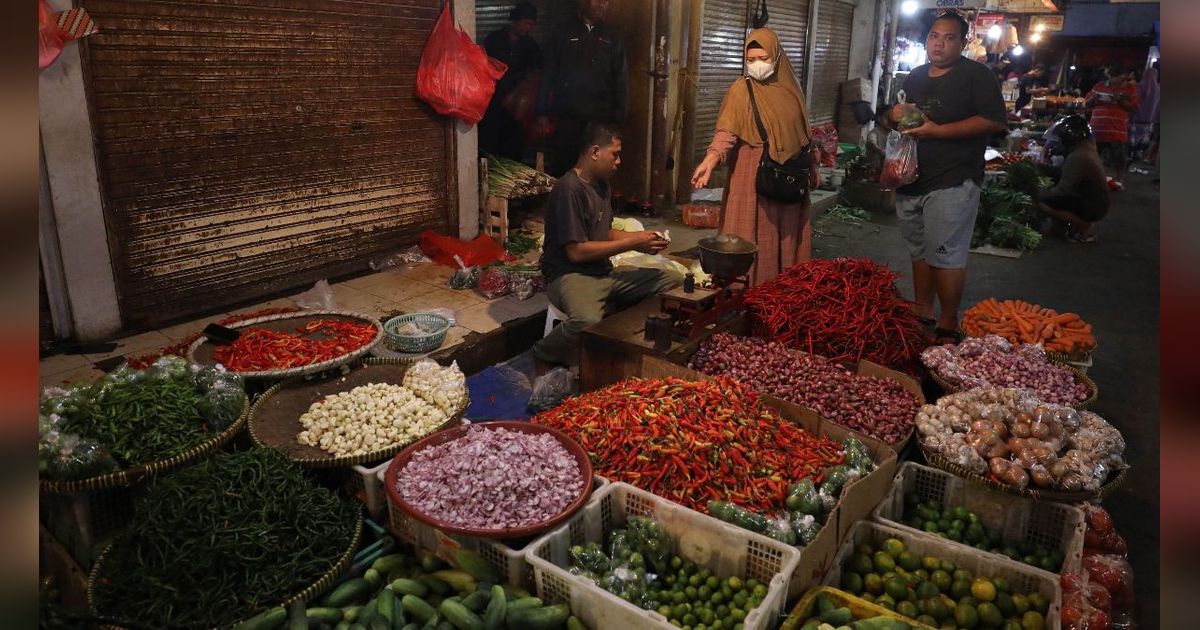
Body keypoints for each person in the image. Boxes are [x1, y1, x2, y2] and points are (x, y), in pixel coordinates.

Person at [886, 12, 1007, 344]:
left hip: (954, 178)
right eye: (934, 36)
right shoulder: (915, 77)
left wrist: (939, 132)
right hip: (912, 179)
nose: (939, 43)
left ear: (964, 42)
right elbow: (901, 119)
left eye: (949, 37)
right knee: (920, 251)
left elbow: (994, 121)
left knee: (945, 253)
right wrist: (893, 114)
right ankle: (923, 310)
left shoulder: (977, 76)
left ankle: (948, 321)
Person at [533, 121, 683, 369]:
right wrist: (634, 242)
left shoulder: (602, 185)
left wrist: (645, 241)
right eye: (615, 154)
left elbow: (606, 233)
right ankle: (543, 351)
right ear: (594, 152)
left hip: (602, 272)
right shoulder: (568, 189)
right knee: (586, 320)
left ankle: (621, 342)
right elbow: (577, 252)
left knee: (672, 282)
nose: (618, 161)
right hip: (570, 275)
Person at [690, 28, 819, 287]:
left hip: (790, 176)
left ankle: (781, 294)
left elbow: (804, 134)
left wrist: (813, 166)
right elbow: (726, 132)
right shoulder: (740, 90)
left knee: (784, 237)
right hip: (752, 175)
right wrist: (710, 160)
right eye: (751, 60)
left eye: (763, 58)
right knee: (748, 235)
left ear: (777, 57)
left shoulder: (792, 91)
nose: (757, 65)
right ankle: (749, 294)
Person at [537, 0, 628, 176]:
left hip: (599, 117)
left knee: (597, 167)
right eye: (598, 0)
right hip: (568, 115)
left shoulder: (612, 36)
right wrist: (541, 111)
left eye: (606, 1)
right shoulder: (563, 31)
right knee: (565, 163)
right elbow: (548, 73)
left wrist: (619, 119)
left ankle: (594, 203)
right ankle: (566, 201)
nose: (602, 4)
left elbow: (621, 79)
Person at [479, 3, 543, 160]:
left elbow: (537, 73)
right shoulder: (494, 39)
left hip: (515, 109)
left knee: (513, 149)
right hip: (492, 105)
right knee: (489, 147)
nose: (529, 28)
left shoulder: (530, 45)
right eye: (526, 23)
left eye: (532, 24)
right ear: (514, 21)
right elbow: (481, 65)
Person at [1035, 115, 1110, 243]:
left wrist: (1036, 195)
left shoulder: (1078, 156)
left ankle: (1083, 224)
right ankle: (1061, 229)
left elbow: (1062, 190)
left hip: (1092, 206)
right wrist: (1038, 166)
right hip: (1095, 201)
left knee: (1041, 204)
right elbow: (1063, 172)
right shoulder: (1085, 149)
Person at [1085, 62, 1139, 189]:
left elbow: (1134, 108)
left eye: (1115, 76)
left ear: (1122, 76)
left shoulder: (1130, 89)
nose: (1112, 79)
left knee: (1119, 159)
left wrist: (1120, 99)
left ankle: (1118, 181)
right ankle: (1095, 180)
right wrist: (1094, 99)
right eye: (1110, 76)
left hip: (1117, 130)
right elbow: (1087, 104)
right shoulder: (1099, 86)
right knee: (1094, 157)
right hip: (1097, 129)